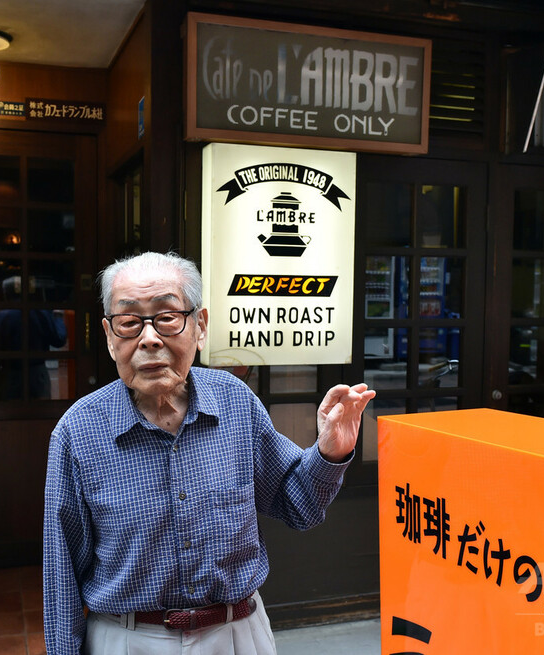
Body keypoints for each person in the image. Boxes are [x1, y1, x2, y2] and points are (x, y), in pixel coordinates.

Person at [43, 251, 375, 655]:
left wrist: (329, 452)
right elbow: (60, 573)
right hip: (129, 640)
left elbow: (298, 504)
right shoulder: (79, 432)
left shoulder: (235, 401)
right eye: (129, 322)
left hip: (238, 634)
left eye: (167, 317)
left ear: (199, 327)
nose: (149, 338)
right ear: (111, 337)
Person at [0, 276, 67, 400]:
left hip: (10, 375)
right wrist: (58, 318)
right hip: (37, 374)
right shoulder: (39, 312)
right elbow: (59, 339)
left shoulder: (0, 318)